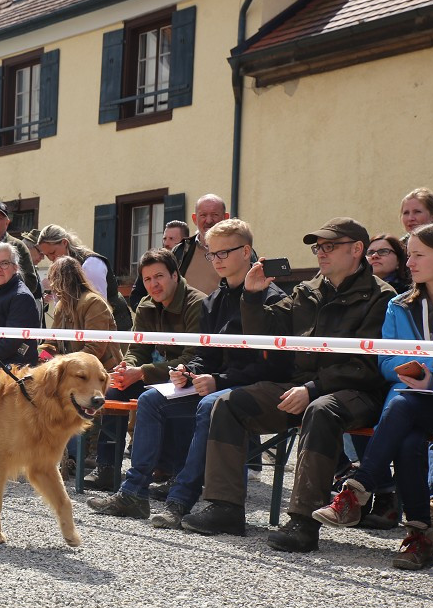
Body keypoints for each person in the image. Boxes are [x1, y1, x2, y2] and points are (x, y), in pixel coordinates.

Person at [181, 217, 396, 552]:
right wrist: (252, 296)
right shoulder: (307, 291)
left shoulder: (381, 297)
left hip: (358, 394)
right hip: (300, 388)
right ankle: (225, 507)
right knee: (228, 404)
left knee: (320, 409)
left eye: (330, 246)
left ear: (357, 250)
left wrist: (311, 388)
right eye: (318, 247)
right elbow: (266, 335)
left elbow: (365, 366)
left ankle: (303, 521)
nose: (321, 253)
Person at [87, 220, 287, 521]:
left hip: (253, 390)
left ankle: (179, 501)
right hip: (214, 385)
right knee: (151, 400)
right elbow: (203, 355)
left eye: (223, 253)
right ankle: (133, 493)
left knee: (209, 404)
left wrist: (216, 378)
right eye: (211, 254)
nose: (216, 261)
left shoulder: (272, 297)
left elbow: (272, 366)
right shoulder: (214, 300)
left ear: (246, 252)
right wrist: (186, 370)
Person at [311, 222, 433, 569]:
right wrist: (416, 372)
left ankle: (357, 489)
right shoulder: (400, 305)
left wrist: (430, 373)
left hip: (424, 398)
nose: (409, 262)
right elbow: (385, 361)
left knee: (400, 406)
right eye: (408, 254)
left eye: (419, 255)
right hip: (411, 400)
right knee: (409, 439)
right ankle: (419, 536)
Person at [84, 248, 206, 490]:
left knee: (165, 396)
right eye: (148, 279)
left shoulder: (198, 303)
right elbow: (137, 349)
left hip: (193, 376)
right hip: (163, 373)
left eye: (159, 276)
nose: (153, 284)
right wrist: (126, 369)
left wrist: (141, 372)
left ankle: (174, 473)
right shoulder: (145, 305)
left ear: (175, 275)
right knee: (112, 391)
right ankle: (107, 468)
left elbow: (193, 356)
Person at [39, 255, 123, 480]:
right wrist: (42, 357)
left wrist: (65, 368)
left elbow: (95, 347)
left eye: (53, 280)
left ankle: (75, 459)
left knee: (69, 397)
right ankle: (51, 456)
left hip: (104, 373)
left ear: (62, 280)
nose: (51, 287)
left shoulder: (94, 302)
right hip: (74, 373)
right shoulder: (62, 308)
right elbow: (52, 342)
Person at [37, 224, 132, 332]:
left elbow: (99, 307)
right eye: (47, 255)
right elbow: (59, 307)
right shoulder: (58, 269)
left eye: (52, 253)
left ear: (64, 243)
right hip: (81, 330)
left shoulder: (91, 264)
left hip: (111, 328)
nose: (51, 259)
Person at [171, 194, 231, 296]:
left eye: (215, 215)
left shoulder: (239, 250)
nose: (209, 220)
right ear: (194, 219)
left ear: (226, 218)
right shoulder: (180, 251)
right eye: (203, 215)